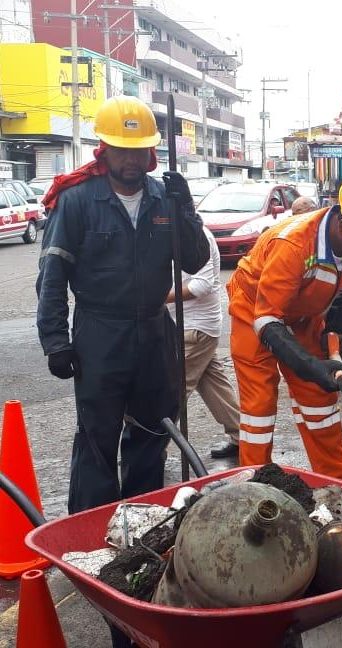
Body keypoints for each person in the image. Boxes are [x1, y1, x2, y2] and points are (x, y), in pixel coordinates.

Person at [36, 95, 210, 514]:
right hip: (101, 334)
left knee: (153, 434)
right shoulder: (77, 201)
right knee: (98, 437)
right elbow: (52, 277)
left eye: (138, 150)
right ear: (103, 149)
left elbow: (195, 259)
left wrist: (184, 209)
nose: (131, 160)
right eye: (121, 150)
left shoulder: (162, 198)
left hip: (154, 332)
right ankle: (91, 531)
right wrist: (56, 340)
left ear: (150, 151)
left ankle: (143, 522)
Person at [227, 175, 342, 481]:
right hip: (254, 311)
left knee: (320, 399)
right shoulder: (293, 245)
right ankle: (255, 488)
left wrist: (333, 352)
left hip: (306, 315)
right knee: (260, 407)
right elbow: (267, 321)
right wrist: (311, 365)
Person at [166, 224, 242, 461]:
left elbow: (202, 284)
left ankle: (152, 445)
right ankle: (243, 436)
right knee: (214, 385)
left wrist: (157, 299)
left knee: (170, 389)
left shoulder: (197, 236)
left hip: (194, 329)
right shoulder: (171, 232)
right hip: (193, 327)